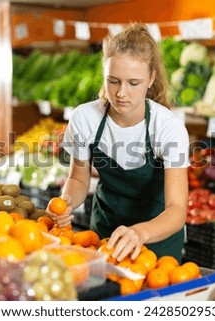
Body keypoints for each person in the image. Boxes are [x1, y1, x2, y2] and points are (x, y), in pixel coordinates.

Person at [45, 23, 190, 263]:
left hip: (156, 242)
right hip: (105, 234)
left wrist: (139, 233)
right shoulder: (85, 118)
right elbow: (79, 179)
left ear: (151, 77)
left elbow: (177, 209)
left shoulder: (167, 127)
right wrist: (67, 201)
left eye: (133, 83)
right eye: (113, 81)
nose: (121, 93)